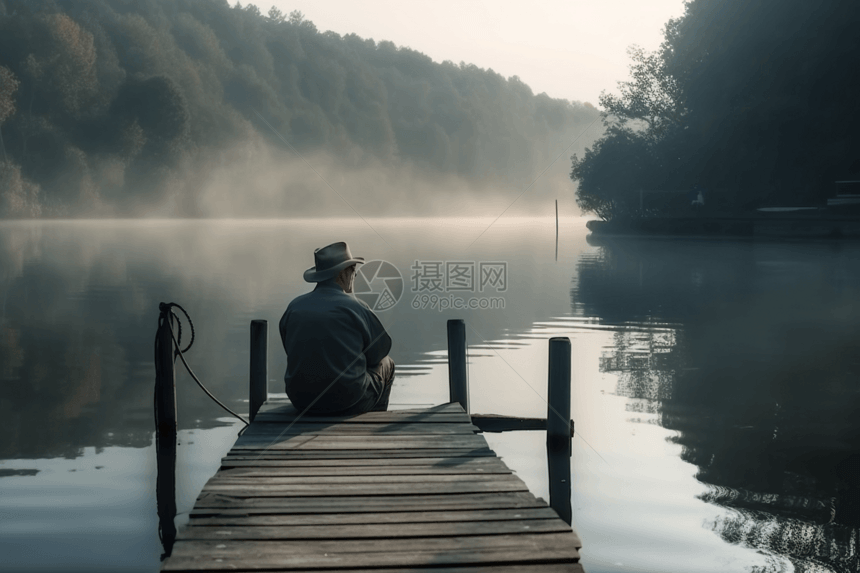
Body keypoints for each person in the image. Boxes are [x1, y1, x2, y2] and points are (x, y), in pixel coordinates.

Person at [278, 241, 395, 416]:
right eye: (353, 271)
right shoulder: (356, 307)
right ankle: (373, 421)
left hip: (301, 401)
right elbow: (380, 352)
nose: (355, 276)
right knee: (387, 364)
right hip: (347, 401)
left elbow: (291, 349)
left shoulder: (294, 307)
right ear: (343, 273)